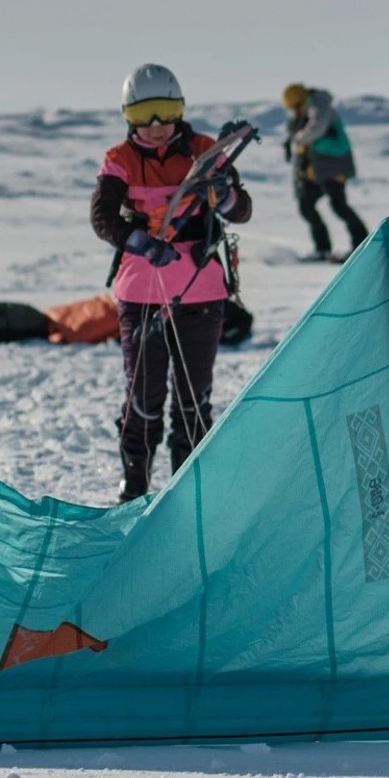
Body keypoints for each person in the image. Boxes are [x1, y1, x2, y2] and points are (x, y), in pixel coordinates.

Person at [90, 64, 253, 501]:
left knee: (193, 398)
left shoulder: (205, 150)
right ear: (128, 116)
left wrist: (225, 192)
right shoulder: (119, 160)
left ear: (180, 109)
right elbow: (102, 217)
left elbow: (241, 211)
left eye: (166, 111)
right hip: (140, 292)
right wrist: (136, 240)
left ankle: (189, 489)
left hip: (202, 293)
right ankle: (135, 485)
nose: (158, 125)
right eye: (146, 115)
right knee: (143, 395)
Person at [282, 82, 368, 262]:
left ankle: (363, 246)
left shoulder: (320, 107)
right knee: (306, 205)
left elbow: (315, 129)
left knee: (339, 206)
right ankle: (322, 249)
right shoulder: (302, 116)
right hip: (314, 171)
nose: (293, 112)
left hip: (333, 166)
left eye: (294, 107)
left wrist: (298, 138)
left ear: (300, 101)